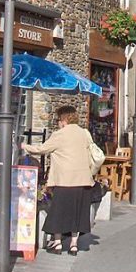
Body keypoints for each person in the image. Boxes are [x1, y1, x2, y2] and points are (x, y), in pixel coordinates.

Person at [21, 105, 95, 256]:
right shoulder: (84, 133)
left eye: (59, 120)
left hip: (65, 179)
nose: (58, 123)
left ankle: (58, 243)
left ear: (63, 119)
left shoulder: (59, 134)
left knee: (59, 212)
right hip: (83, 180)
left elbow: (42, 149)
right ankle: (74, 244)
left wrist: (25, 146)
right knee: (77, 213)